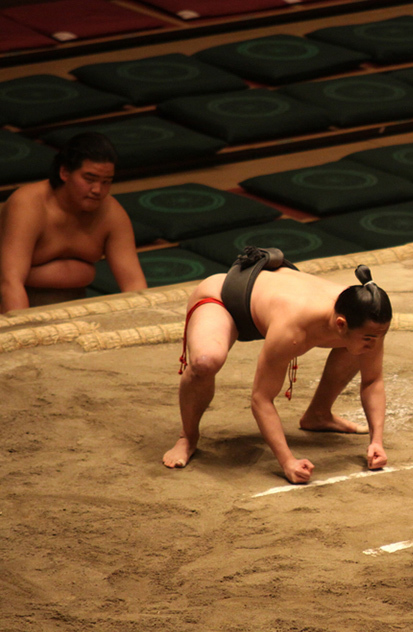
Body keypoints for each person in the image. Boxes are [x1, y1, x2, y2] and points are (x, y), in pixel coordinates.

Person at [163, 250, 391, 484]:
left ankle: (318, 415)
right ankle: (187, 437)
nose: (375, 342)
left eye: (378, 335)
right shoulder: (295, 327)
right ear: (341, 324)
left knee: (358, 347)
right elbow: (261, 398)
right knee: (205, 361)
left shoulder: (365, 315)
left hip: (270, 303)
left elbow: (372, 380)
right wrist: (287, 462)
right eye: (371, 337)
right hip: (223, 299)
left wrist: (377, 441)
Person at [0, 132, 146, 313]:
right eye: (89, 179)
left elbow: (134, 283)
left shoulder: (111, 213)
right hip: (13, 304)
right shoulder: (28, 205)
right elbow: (10, 282)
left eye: (106, 182)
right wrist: (22, 331)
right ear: (65, 172)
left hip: (75, 306)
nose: (98, 190)